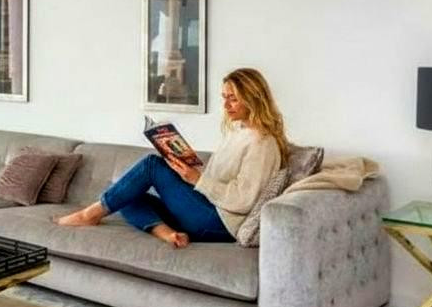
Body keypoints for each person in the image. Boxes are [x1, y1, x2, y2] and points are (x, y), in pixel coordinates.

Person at [56, 68, 287, 247]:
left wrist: (197, 179)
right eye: (224, 97)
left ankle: (89, 214)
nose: (225, 105)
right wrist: (192, 168)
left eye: (233, 99)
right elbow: (222, 181)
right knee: (125, 193)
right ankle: (167, 233)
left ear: (254, 99)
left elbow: (243, 200)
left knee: (151, 165)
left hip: (221, 223)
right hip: (207, 209)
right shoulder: (239, 133)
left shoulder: (262, 143)